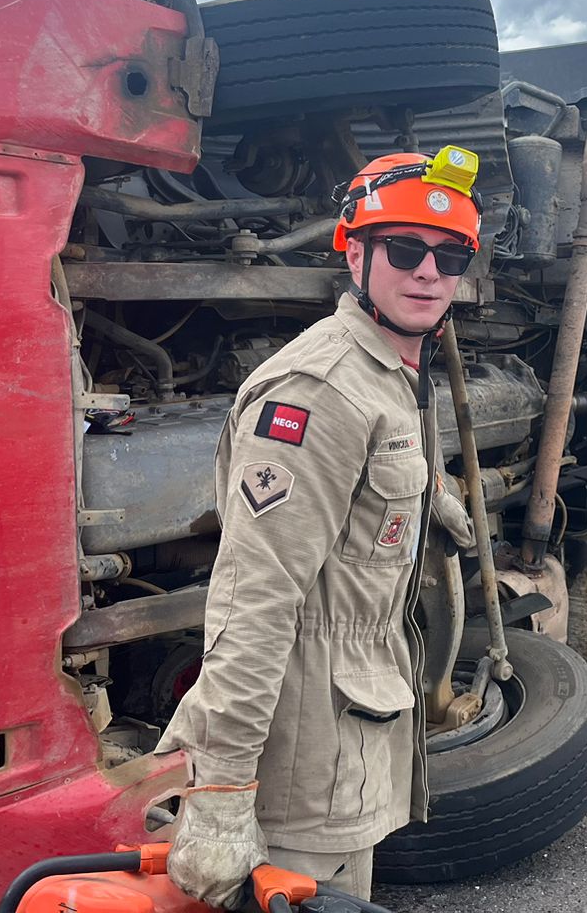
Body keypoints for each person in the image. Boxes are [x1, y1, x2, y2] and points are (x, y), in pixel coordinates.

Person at [156, 147, 481, 907]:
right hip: (301, 763)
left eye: (450, 255)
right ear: (356, 252)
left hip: (353, 736)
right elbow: (254, 599)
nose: (429, 272)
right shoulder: (320, 390)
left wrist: (427, 494)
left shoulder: (390, 370)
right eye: (405, 250)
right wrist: (225, 789)